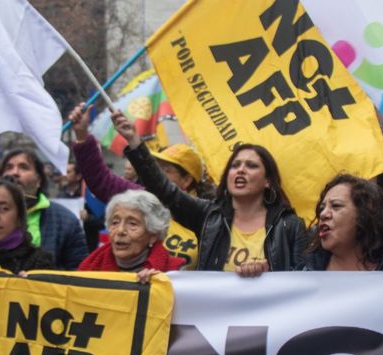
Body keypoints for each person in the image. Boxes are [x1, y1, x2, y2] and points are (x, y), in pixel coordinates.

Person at [112, 109, 307, 276]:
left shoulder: (290, 226)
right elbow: (164, 189)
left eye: (251, 166)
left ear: (267, 181)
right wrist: (134, 141)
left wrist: (268, 272)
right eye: (235, 165)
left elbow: (303, 280)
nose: (241, 170)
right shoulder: (209, 216)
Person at [68, 102, 203, 269]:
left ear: (187, 180)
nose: (155, 174)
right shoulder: (141, 199)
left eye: (165, 171)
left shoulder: (207, 216)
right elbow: (101, 180)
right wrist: (82, 135)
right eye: (156, 168)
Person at [302, 174, 383, 271]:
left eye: (336, 206)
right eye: (322, 208)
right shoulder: (307, 270)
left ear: (365, 213)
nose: (323, 214)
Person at [0, 148, 88, 269]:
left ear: (38, 180)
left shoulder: (66, 221)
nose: (14, 173)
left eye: (24, 167)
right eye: (9, 167)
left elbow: (78, 270)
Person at [78, 190, 184, 282]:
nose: (120, 230)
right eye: (115, 222)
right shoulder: (89, 268)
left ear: (153, 235)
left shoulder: (174, 273)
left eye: (132, 224)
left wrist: (157, 285)